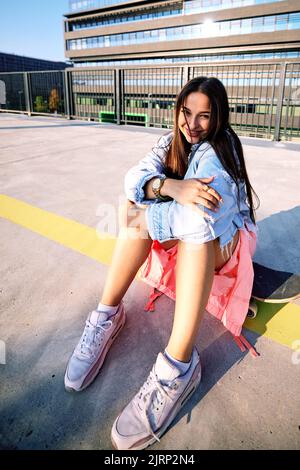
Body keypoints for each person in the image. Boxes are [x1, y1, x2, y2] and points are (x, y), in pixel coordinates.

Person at [64, 76, 259, 450]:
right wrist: (168, 187)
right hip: (192, 226)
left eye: (204, 116)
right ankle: (106, 315)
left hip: (229, 243)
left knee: (186, 236)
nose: (193, 124)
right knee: (137, 208)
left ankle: (178, 368)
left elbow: (203, 221)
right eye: (186, 112)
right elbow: (131, 179)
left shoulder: (221, 149)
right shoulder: (174, 141)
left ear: (218, 118)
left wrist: (145, 216)